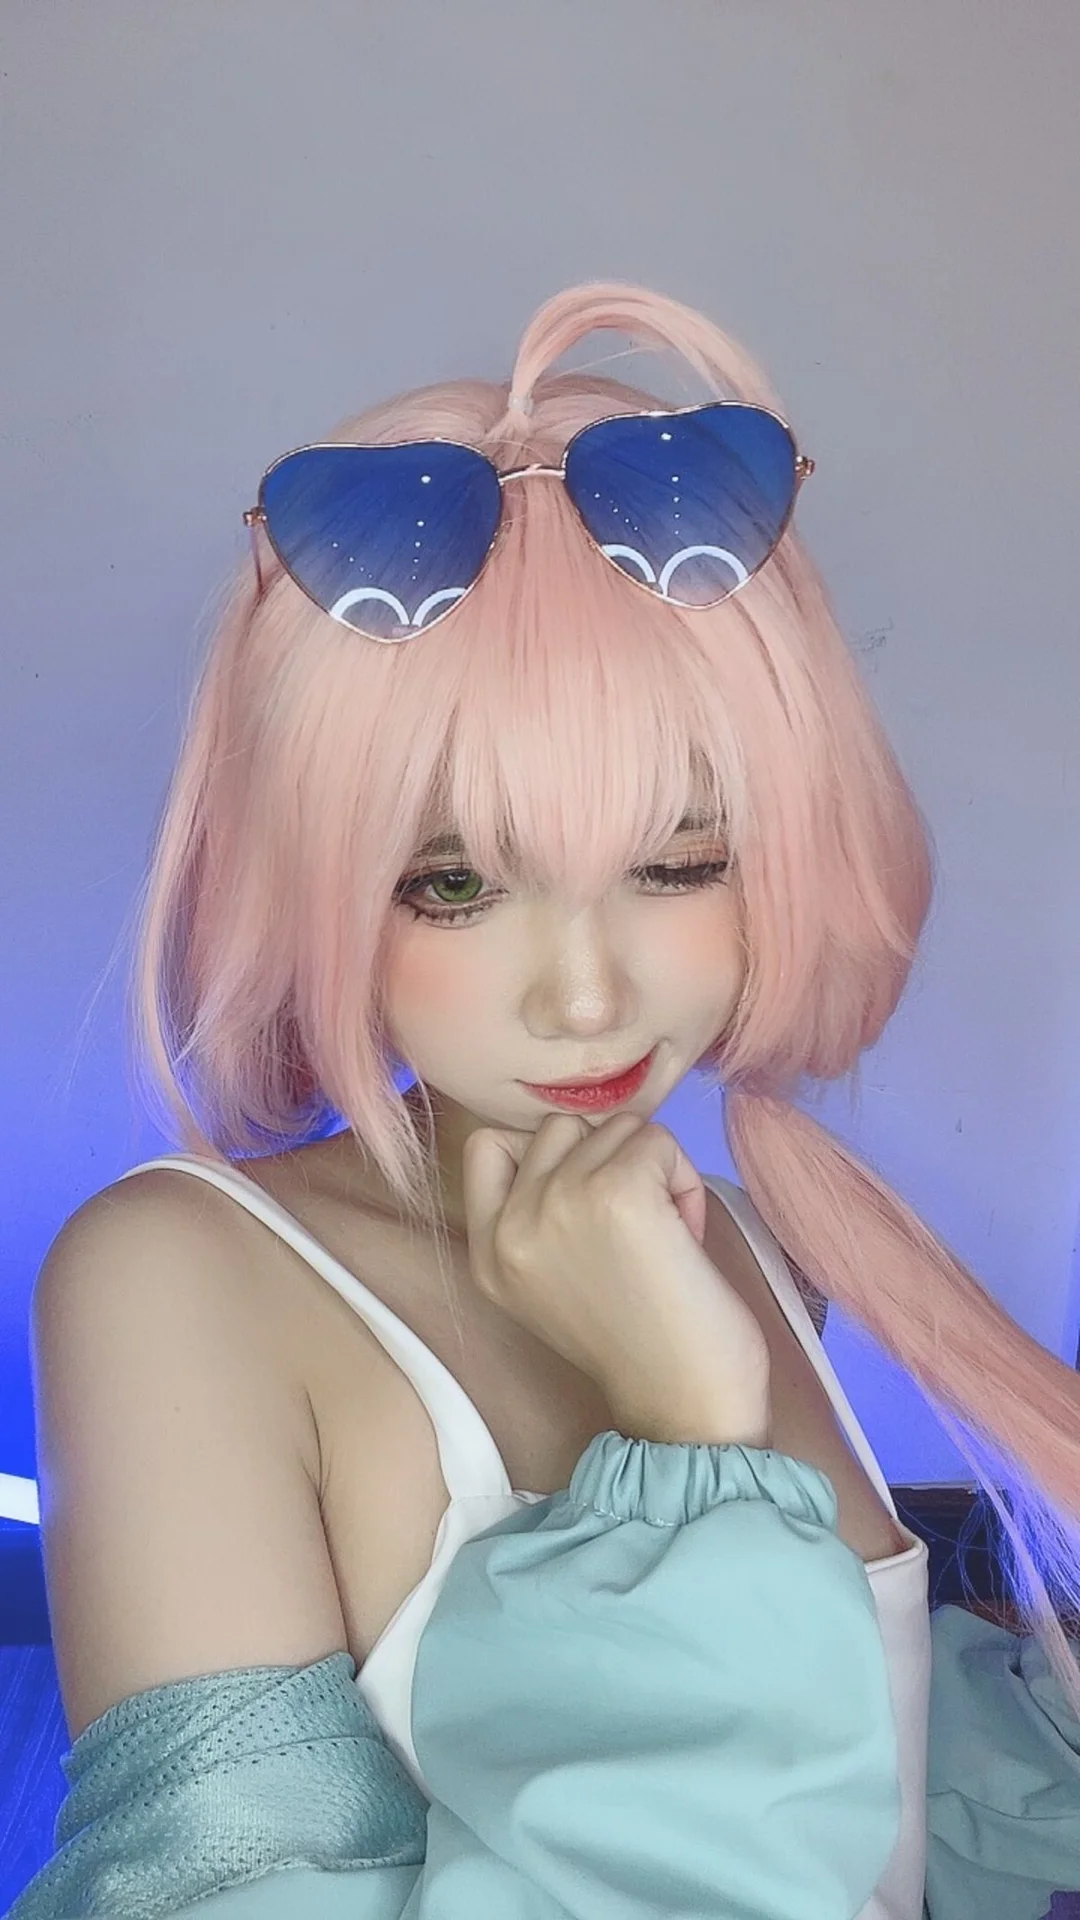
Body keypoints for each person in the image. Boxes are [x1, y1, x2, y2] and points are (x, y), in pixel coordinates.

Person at [12, 283, 1080, 1920]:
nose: (585, 996)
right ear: (315, 885)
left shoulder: (734, 1242)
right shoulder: (172, 1282)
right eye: (452, 883)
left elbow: (857, 1793)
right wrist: (682, 1443)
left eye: (680, 861)